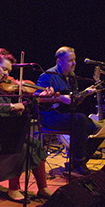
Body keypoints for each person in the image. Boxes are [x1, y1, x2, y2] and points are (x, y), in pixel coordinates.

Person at [0, 48, 53, 202]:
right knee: (21, 146)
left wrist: (37, 98)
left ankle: (43, 188)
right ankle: (13, 189)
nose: (7, 74)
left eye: (8, 71)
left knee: (36, 144)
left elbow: (16, 110)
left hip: (3, 132)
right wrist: (11, 107)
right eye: (4, 69)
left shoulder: (0, 87)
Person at [36, 46, 100, 175]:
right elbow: (37, 98)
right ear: (59, 61)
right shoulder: (48, 76)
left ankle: (76, 163)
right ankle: (79, 164)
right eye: (70, 60)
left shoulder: (72, 77)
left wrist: (85, 94)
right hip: (50, 116)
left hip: (66, 115)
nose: (74, 63)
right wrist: (59, 98)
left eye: (74, 60)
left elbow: (73, 101)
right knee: (79, 119)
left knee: (101, 129)